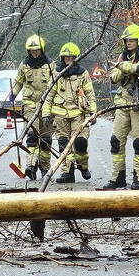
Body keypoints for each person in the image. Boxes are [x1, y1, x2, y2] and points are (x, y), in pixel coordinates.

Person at [100, 24, 139, 191]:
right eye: (127, 40)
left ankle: (138, 180)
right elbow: (114, 77)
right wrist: (121, 68)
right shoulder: (122, 57)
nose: (129, 43)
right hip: (122, 105)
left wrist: (123, 67)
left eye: (132, 40)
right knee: (115, 141)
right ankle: (118, 178)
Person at [5, 34, 54, 179]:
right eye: (32, 51)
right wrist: (12, 94)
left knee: (46, 139)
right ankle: (31, 165)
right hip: (30, 104)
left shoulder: (50, 65)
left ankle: (45, 167)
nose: (35, 53)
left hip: (46, 106)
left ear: (42, 49)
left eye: (37, 50)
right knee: (32, 136)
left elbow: (56, 84)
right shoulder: (24, 65)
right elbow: (19, 82)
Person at [47, 42, 97, 183]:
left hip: (78, 114)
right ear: (62, 58)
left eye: (71, 57)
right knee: (63, 144)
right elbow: (49, 95)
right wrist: (46, 113)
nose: (68, 60)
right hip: (60, 114)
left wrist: (93, 112)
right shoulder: (56, 73)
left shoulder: (83, 73)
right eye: (66, 57)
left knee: (80, 143)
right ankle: (68, 173)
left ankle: (83, 166)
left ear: (76, 58)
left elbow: (90, 94)